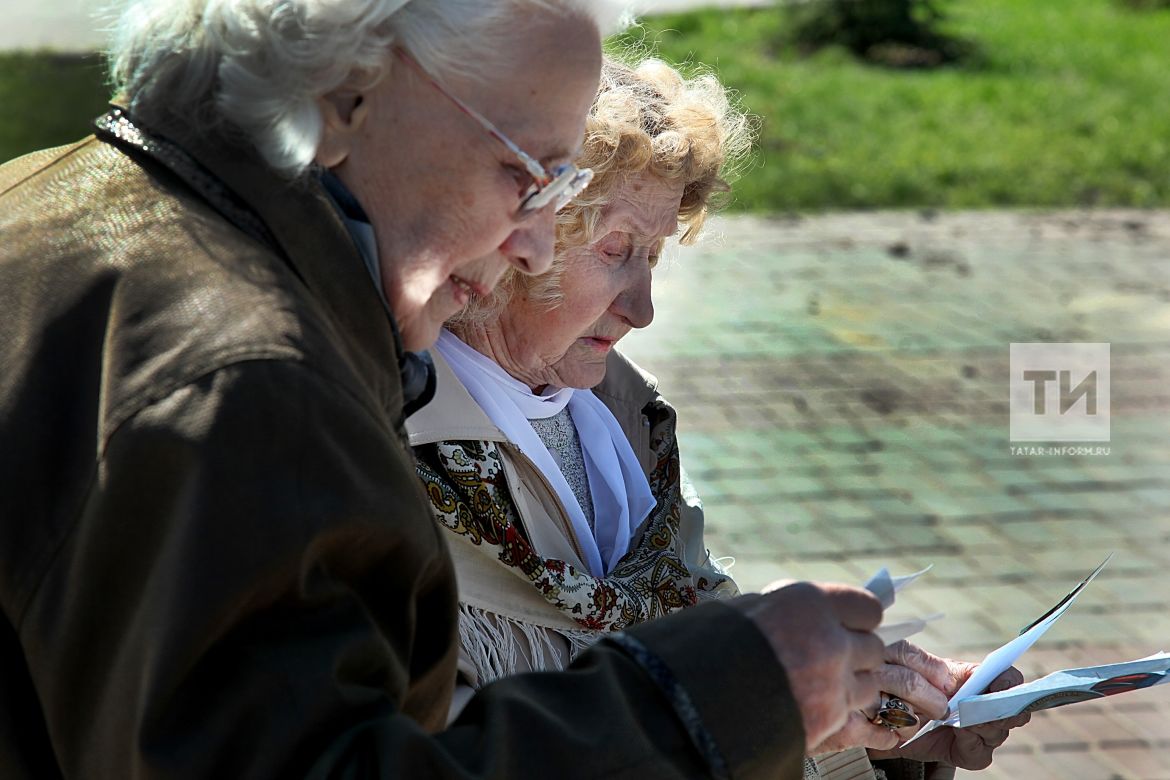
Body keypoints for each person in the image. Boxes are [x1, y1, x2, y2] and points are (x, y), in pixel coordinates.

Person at [0, 1, 890, 778]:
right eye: (527, 174)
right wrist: (718, 701)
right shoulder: (252, 385)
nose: (537, 245)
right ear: (351, 93)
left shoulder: (41, 197)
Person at [408, 55, 1030, 779]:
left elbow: (698, 689)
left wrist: (872, 717)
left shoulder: (623, 419)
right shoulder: (402, 456)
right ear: (510, 233)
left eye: (654, 256)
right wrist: (756, 707)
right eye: (615, 251)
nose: (642, 308)